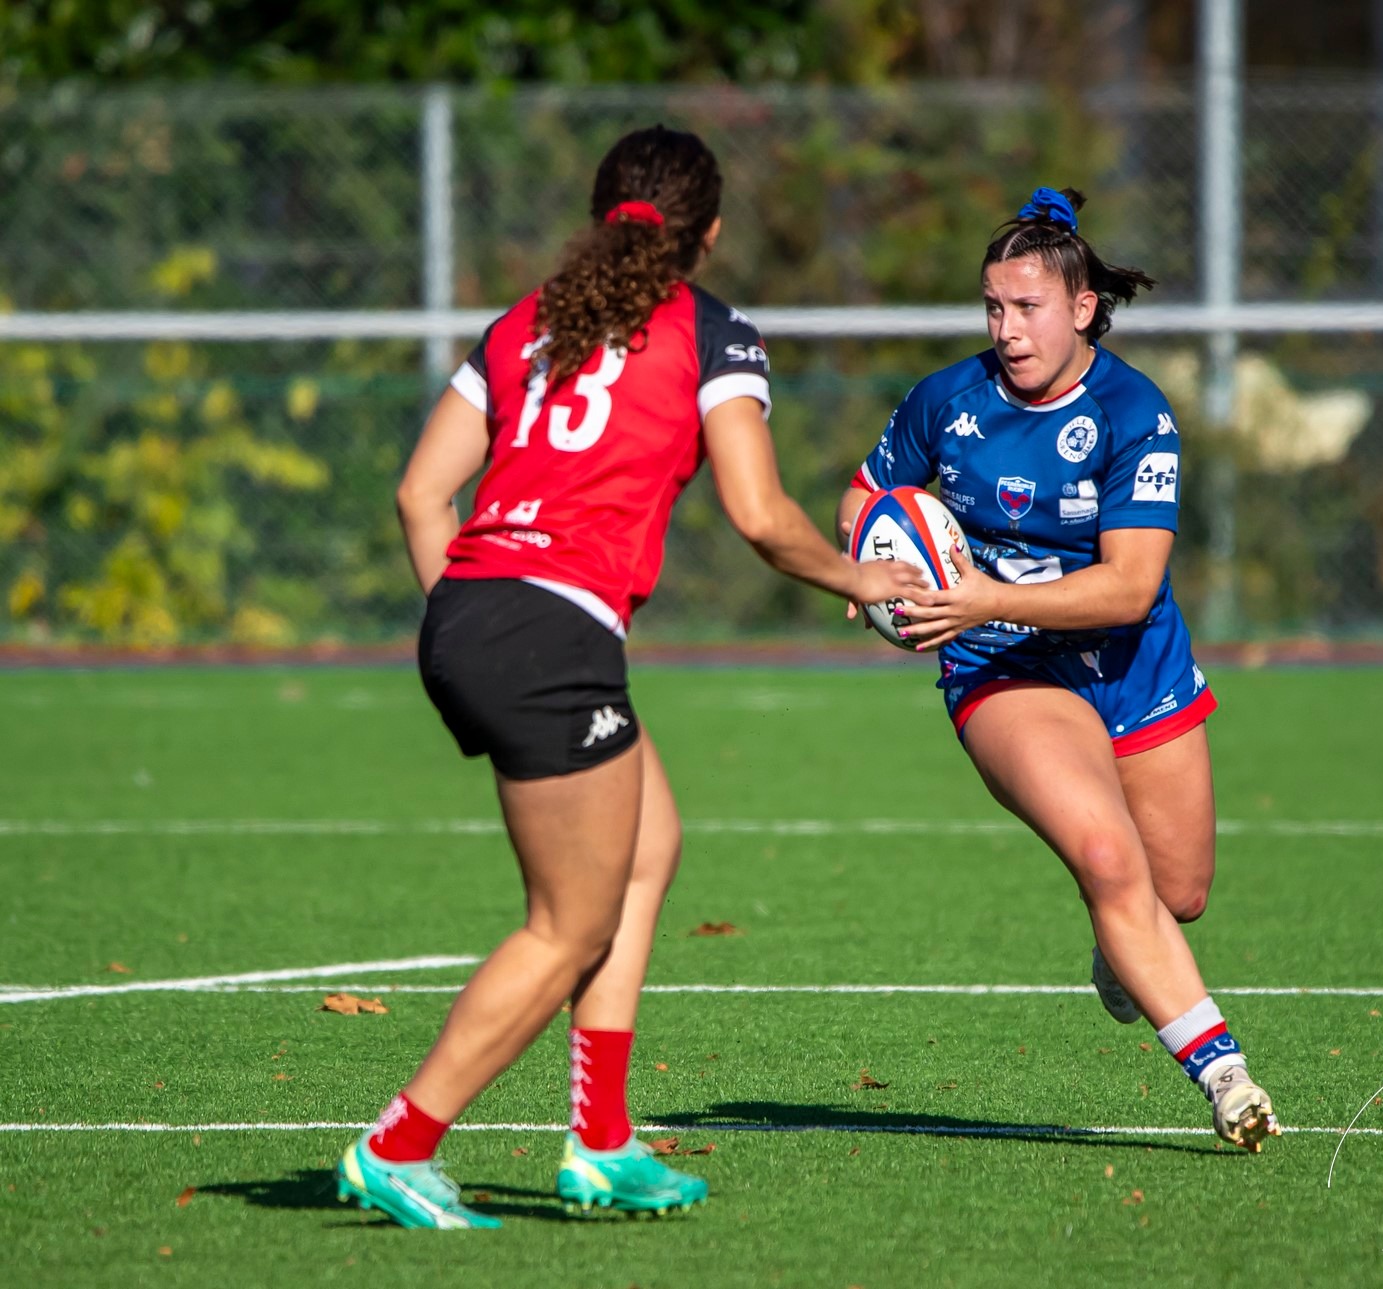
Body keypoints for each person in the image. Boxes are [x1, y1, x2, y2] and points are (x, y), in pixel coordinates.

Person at [341, 125, 923, 1230]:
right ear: (708, 233)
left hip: (472, 610)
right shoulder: (710, 332)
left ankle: (600, 1140)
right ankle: (399, 1140)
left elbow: (423, 495)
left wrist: (474, 623)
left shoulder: (525, 321)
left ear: (601, 209)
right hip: (546, 630)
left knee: (647, 846)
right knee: (566, 924)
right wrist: (861, 574)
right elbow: (758, 516)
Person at [836, 187, 1281, 1151]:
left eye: (1027, 308)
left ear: (1081, 308)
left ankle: (1125, 947)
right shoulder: (945, 400)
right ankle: (1226, 1075)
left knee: (1178, 891)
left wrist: (983, 591)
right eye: (993, 307)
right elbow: (867, 495)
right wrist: (866, 563)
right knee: (1108, 859)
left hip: (1131, 661)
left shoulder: (1133, 412)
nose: (1006, 329)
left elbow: (1127, 589)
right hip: (1001, 666)